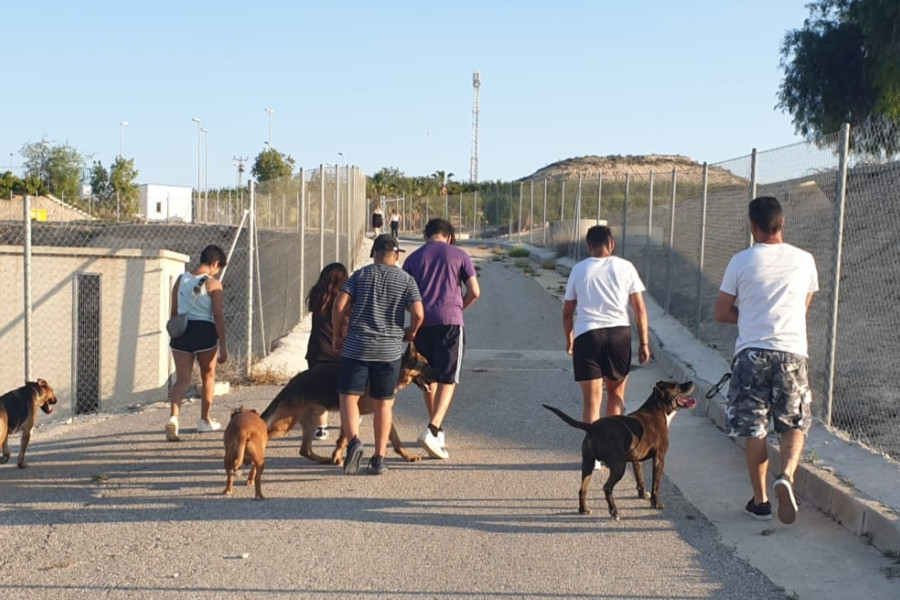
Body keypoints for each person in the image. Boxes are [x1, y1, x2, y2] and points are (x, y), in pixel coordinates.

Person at [713, 196, 818, 525]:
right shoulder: (805, 260)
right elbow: (803, 306)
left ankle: (760, 502)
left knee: (754, 429)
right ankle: (785, 475)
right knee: (794, 423)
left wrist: (750, 317)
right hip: (792, 352)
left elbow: (721, 312)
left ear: (752, 226)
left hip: (751, 354)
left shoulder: (740, 262)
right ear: (782, 222)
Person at [332, 234, 424, 475]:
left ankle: (354, 441)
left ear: (373, 253)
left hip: (356, 346)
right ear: (396, 255)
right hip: (388, 350)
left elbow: (339, 304)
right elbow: (418, 312)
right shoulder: (406, 280)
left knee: (348, 397)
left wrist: (336, 335)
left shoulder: (360, 275)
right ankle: (379, 458)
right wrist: (410, 332)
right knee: (383, 403)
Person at [402, 218, 480, 459]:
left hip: (424, 323)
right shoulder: (459, 255)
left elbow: (403, 294)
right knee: (448, 377)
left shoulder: (413, 258)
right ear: (448, 236)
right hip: (450, 321)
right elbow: (475, 291)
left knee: (428, 376)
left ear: (426, 236)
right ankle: (433, 429)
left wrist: (416, 317)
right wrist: (458, 307)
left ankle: (437, 430)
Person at [562, 225, 650, 432]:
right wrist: (644, 343)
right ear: (611, 244)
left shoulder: (579, 269)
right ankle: (614, 449)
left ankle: (594, 457)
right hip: (619, 334)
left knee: (592, 400)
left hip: (587, 335)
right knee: (616, 394)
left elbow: (567, 313)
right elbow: (639, 308)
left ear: (589, 246)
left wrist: (570, 339)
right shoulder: (626, 267)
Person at [166, 244, 228, 441]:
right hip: (204, 333)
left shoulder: (180, 279)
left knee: (182, 379)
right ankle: (204, 420)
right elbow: (218, 316)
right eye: (218, 268)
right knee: (207, 376)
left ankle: (174, 418)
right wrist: (223, 346)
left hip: (181, 333)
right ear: (215, 263)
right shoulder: (214, 284)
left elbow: (174, 311)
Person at [305, 262, 349, 441]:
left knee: (319, 391)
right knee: (344, 390)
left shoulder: (316, 296)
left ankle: (321, 427)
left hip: (317, 349)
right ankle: (348, 421)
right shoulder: (347, 299)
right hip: (340, 350)